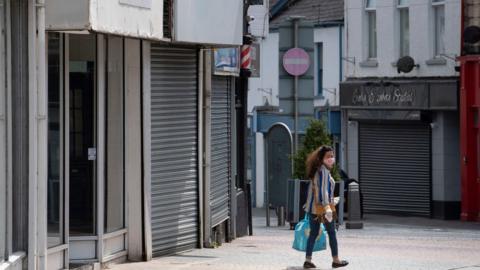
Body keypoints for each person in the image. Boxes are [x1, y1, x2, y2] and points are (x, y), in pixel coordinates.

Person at [303, 146, 349, 269]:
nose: (331, 159)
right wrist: (327, 207)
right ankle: (336, 260)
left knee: (313, 234)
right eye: (328, 156)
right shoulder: (323, 171)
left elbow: (315, 191)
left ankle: (308, 260)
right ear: (321, 158)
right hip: (323, 208)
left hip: (314, 208)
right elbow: (323, 191)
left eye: (332, 156)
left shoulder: (317, 170)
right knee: (332, 233)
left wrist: (332, 200)